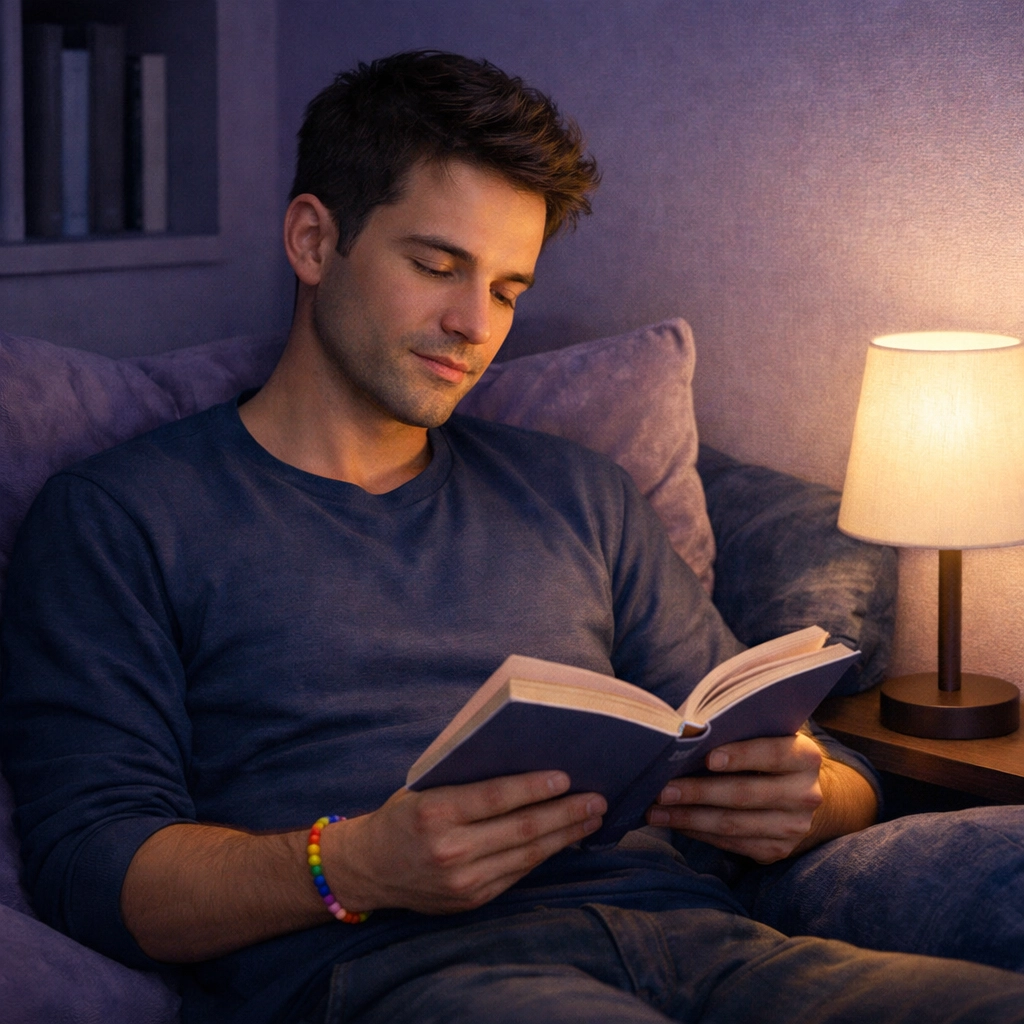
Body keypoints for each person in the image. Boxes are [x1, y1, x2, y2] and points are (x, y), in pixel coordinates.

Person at [2, 50, 1023, 1024]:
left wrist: (810, 799)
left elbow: (809, 758)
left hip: (707, 948)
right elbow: (90, 868)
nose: (473, 325)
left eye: (505, 288)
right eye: (437, 265)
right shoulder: (122, 515)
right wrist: (352, 863)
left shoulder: (576, 494)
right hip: (396, 971)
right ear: (314, 240)